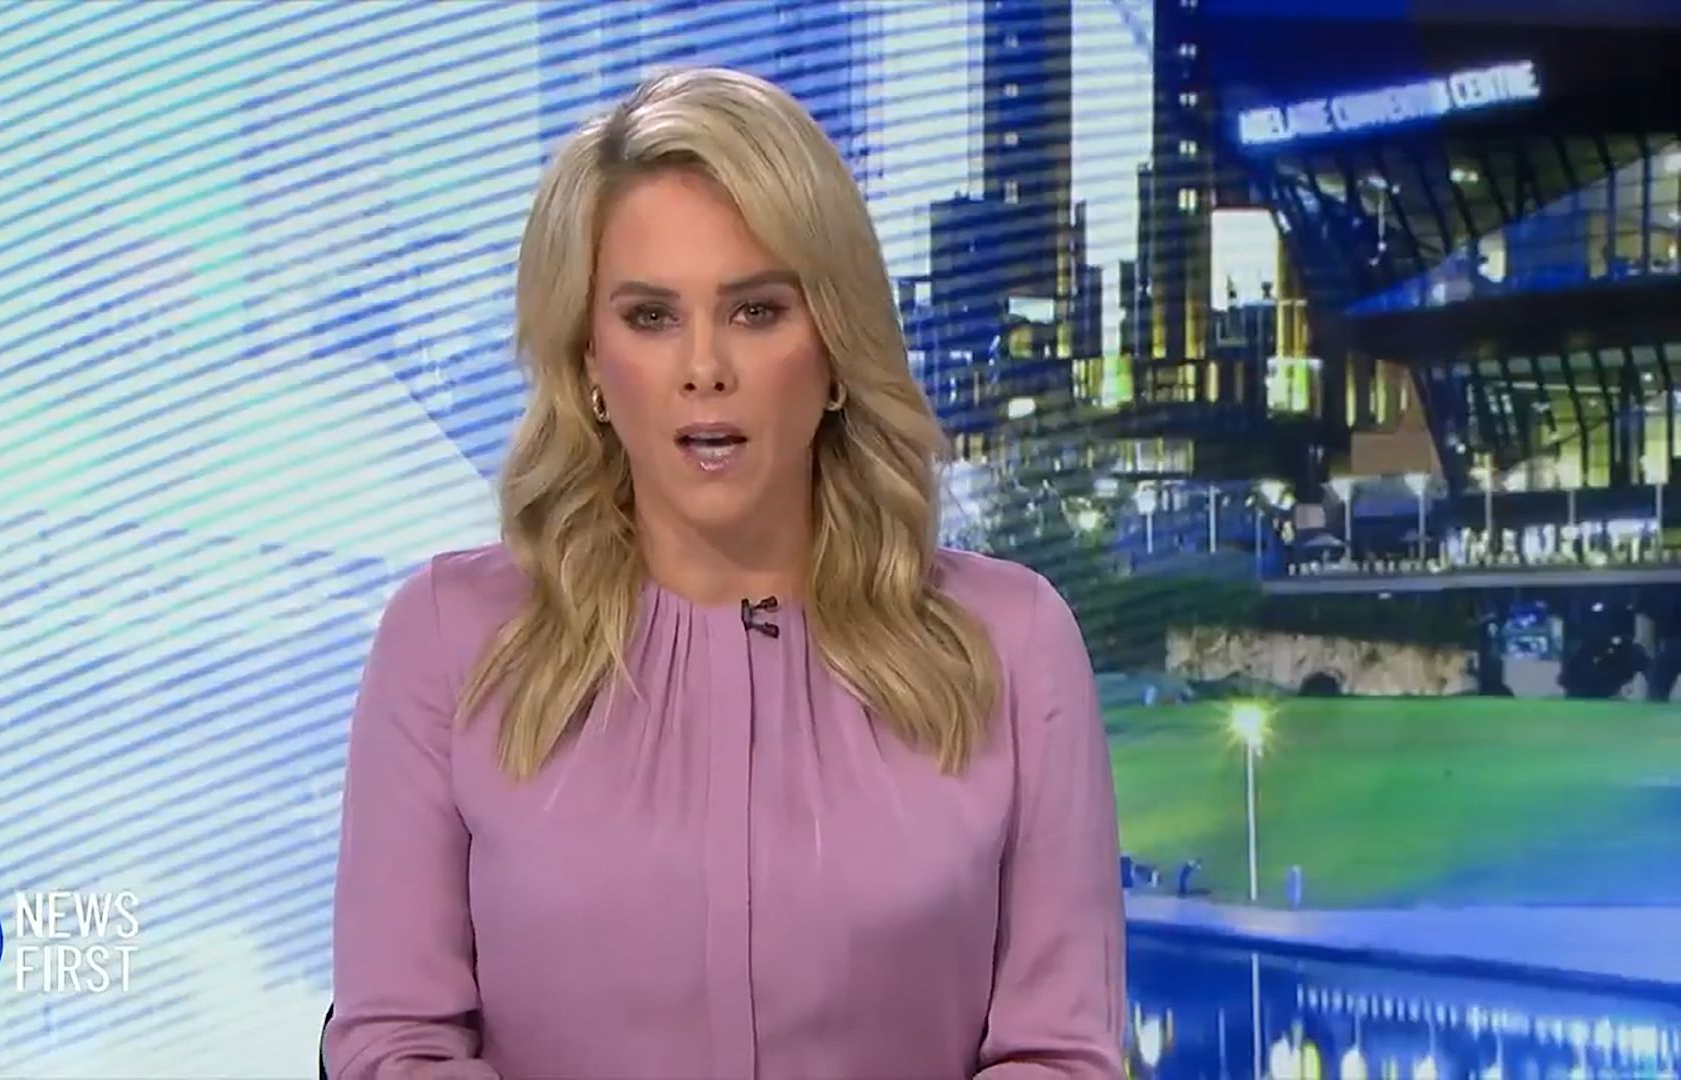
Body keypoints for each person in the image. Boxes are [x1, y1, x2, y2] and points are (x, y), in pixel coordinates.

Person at [325, 66, 1125, 1080]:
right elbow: (395, 1043)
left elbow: (1060, 1054)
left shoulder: (1011, 644)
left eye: (755, 311)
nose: (704, 367)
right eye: (651, 317)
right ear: (589, 365)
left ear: (833, 350)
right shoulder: (448, 640)